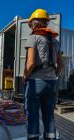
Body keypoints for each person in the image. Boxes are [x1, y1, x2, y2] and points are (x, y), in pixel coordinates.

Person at [23, 9, 63, 140]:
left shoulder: (33, 37)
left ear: (34, 23)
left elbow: (30, 64)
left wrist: (25, 77)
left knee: (33, 115)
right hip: (52, 83)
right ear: (46, 22)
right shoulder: (56, 41)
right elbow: (61, 65)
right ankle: (50, 137)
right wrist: (53, 75)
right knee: (49, 115)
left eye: (31, 24)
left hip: (36, 82)